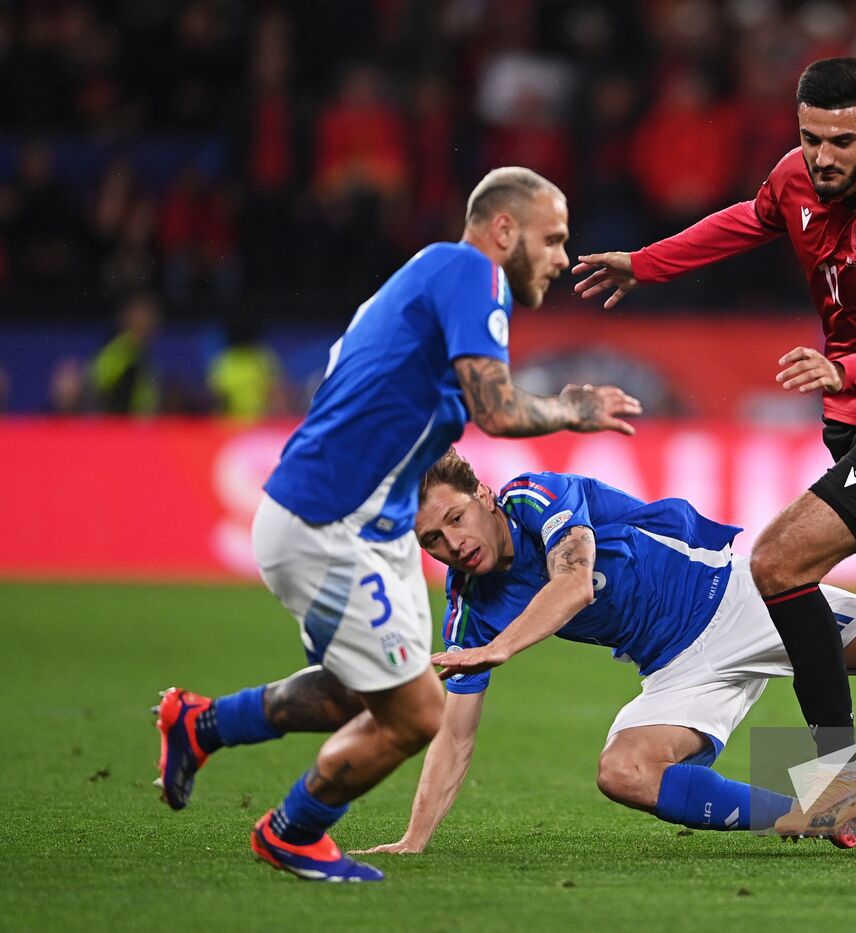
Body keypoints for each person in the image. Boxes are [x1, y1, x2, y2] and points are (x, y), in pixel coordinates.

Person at [574, 58, 856, 842]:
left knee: (781, 562)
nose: (824, 157)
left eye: (843, 141)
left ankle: (838, 782)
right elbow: (745, 221)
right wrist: (646, 263)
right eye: (812, 137)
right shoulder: (796, 179)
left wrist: (843, 367)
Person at [153, 167, 642, 883]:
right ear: (504, 230)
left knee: (371, 692)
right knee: (417, 712)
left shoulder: (428, 279)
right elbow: (498, 410)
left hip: (365, 528)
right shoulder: (471, 272)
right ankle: (292, 830)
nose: (563, 258)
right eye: (555, 239)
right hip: (329, 523)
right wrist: (570, 407)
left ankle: (202, 724)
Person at [328, 449, 856, 853]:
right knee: (623, 772)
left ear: (481, 494)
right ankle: (819, 815)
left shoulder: (539, 497)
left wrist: (501, 648)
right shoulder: (469, 603)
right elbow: (455, 731)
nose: (450, 544)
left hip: (736, 593)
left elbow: (573, 583)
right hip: (677, 666)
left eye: (453, 521)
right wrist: (414, 837)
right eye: (432, 540)